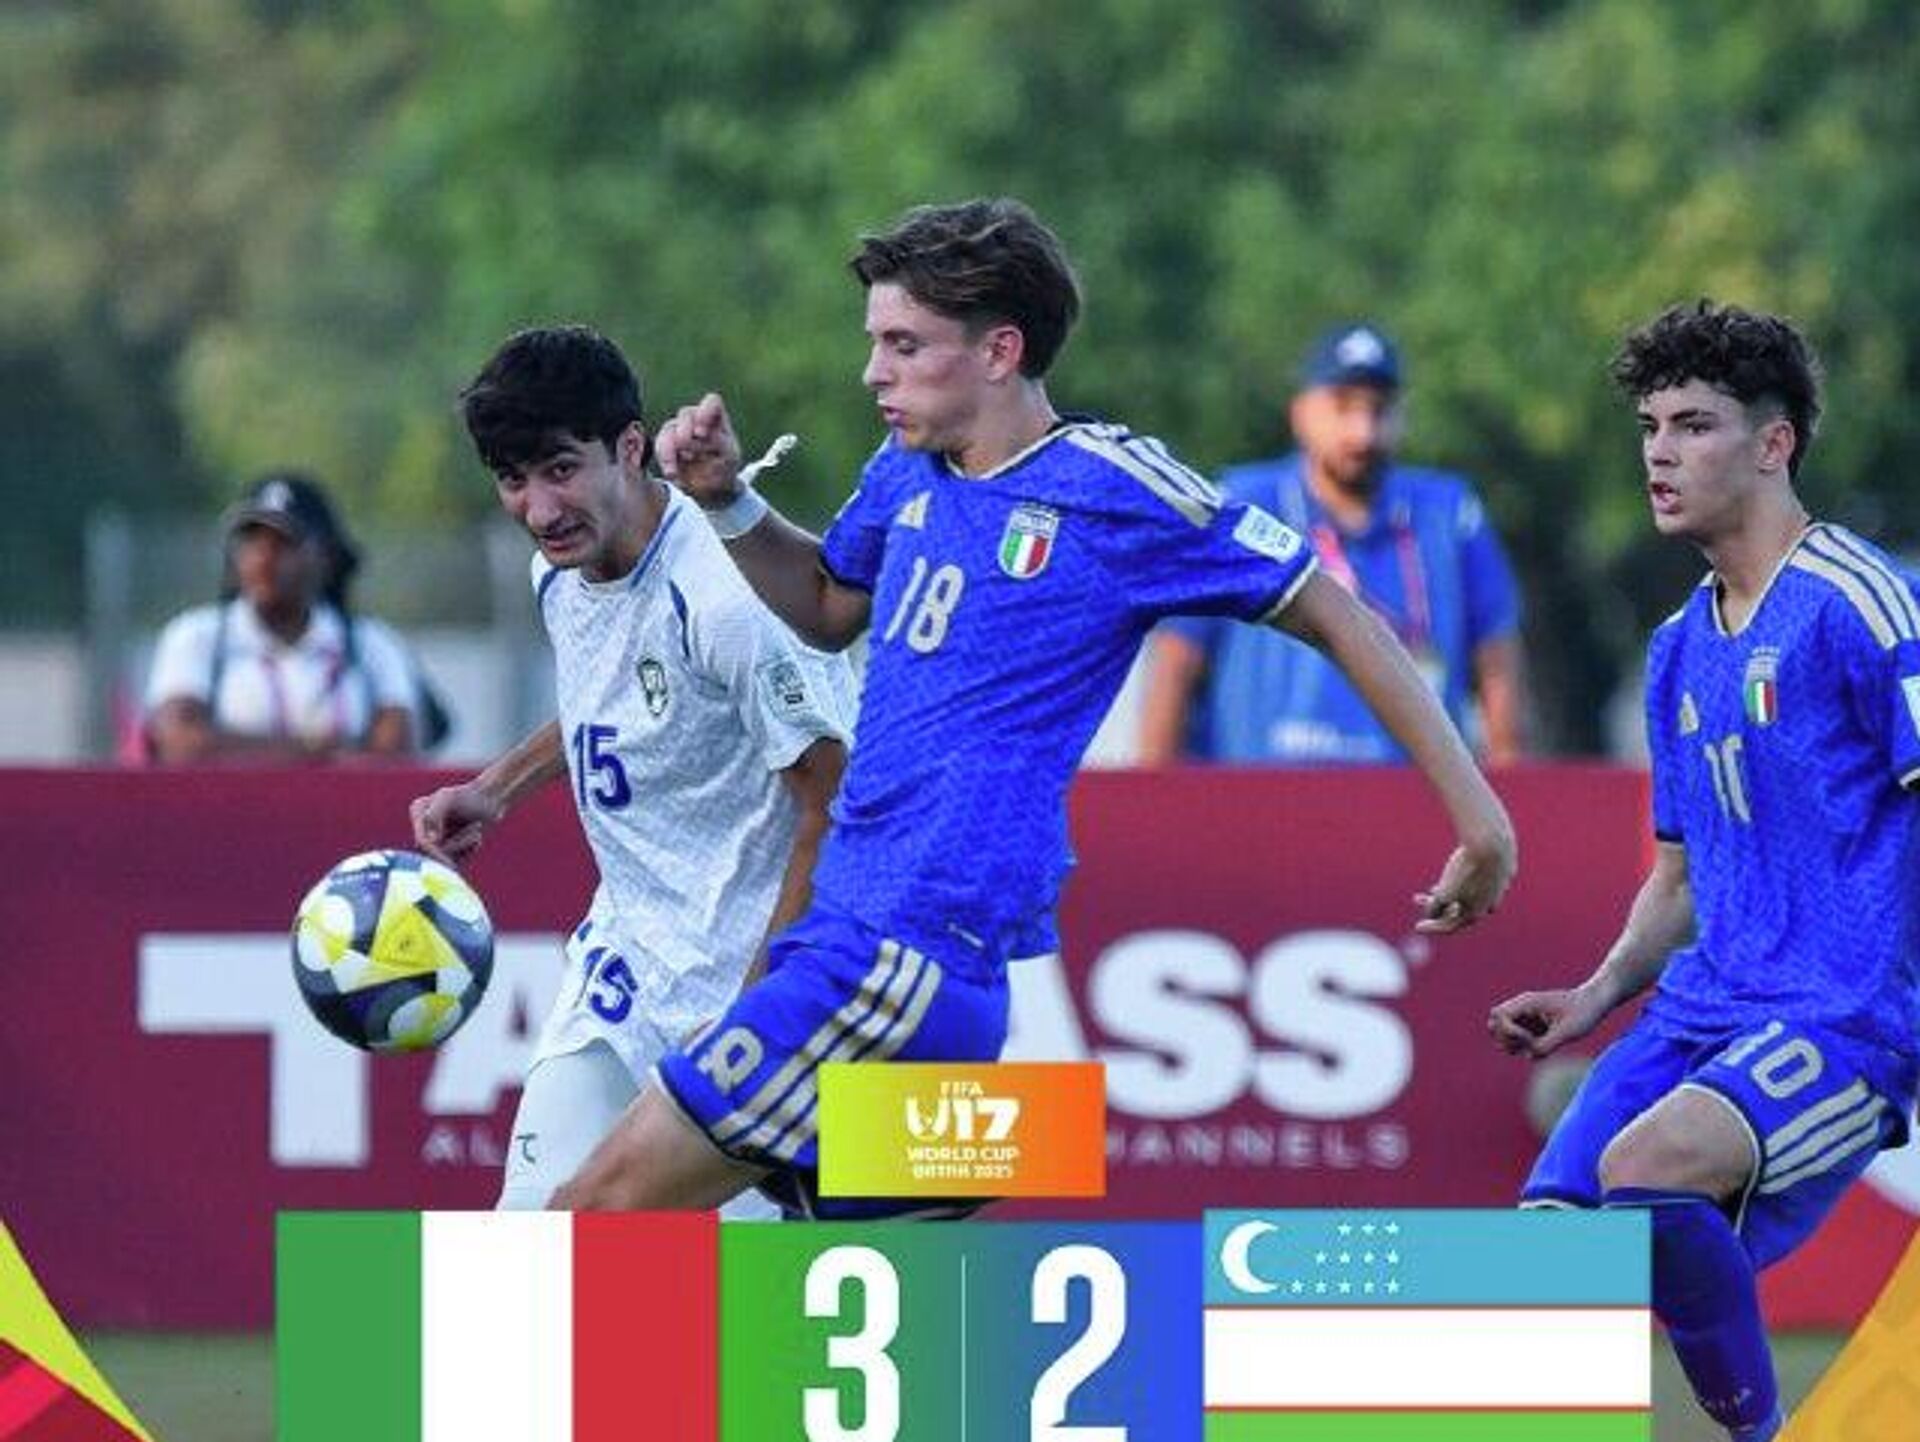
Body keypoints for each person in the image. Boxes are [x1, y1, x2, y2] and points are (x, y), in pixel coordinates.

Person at [551, 197, 1517, 1217]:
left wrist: (1483, 820)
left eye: (904, 344)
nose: (873, 371)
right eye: (875, 342)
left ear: (1000, 351)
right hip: (908, 968)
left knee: (589, 1216)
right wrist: (728, 500)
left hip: (891, 957)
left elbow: (1333, 609)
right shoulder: (906, 467)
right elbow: (829, 606)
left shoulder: (1111, 484)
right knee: (835, 1290)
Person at [1489, 302, 1919, 1442]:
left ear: (1774, 444)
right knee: (1543, 1249)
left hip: (1840, 1019)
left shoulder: (1858, 602)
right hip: (1699, 1011)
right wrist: (1594, 995)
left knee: (1647, 1166)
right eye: (1650, 427)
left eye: (1693, 425)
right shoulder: (1678, 647)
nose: (1660, 453)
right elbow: (1676, 880)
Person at [409, 326, 854, 1214]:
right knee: (533, 1252)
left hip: (743, 1003)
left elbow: (835, 802)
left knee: (730, 1301)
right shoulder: (558, 573)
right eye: (513, 480)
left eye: (560, 470)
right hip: (624, 976)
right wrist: (497, 786)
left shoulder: (728, 600)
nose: (540, 510)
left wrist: (763, 1012)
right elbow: (614, 695)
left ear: (629, 447)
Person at [1136, 323, 1526, 766]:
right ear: (1300, 412)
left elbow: (1497, 662)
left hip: (1413, 792)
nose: (1363, 432)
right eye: (1342, 406)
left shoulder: (1450, 515)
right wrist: (1157, 789)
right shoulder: (1240, 507)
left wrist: (1508, 782)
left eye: (1380, 409)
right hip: (1266, 791)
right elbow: (1176, 660)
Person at [143, 471, 426, 764]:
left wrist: (239, 750)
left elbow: (395, 754)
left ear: (326, 556)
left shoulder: (370, 643)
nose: (263, 558)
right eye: (251, 539)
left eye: (285, 542)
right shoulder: (197, 636)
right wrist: (318, 750)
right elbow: (181, 745)